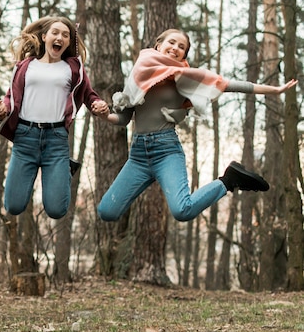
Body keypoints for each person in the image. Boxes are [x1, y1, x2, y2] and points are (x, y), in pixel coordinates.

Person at [91, 28, 298, 222]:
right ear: (158, 45)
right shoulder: (139, 73)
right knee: (106, 212)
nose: (176, 48)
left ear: (183, 56)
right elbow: (124, 119)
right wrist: (105, 116)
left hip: (166, 152)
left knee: (182, 210)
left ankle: (228, 180)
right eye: (172, 42)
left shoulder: (185, 78)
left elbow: (228, 85)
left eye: (182, 47)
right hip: (138, 157)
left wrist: (275, 90)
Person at [0, 16, 102, 219]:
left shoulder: (73, 68)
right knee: (13, 206)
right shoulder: (25, 66)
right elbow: (10, 97)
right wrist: (2, 108)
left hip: (56, 140)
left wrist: (98, 104)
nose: (59, 38)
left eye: (65, 35)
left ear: (68, 42)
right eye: (55, 33)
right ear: (44, 37)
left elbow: (88, 94)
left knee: (56, 210)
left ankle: (64, 170)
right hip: (25, 138)